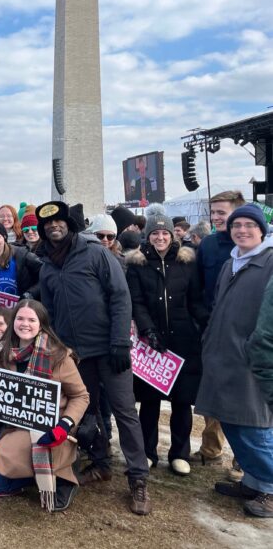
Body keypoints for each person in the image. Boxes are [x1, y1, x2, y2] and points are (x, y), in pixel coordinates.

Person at [35, 201, 151, 515]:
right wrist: (59, 348)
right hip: (75, 354)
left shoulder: (95, 253)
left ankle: (138, 478)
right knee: (87, 412)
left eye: (59, 221)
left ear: (69, 225)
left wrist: (119, 342)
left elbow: (120, 296)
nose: (54, 226)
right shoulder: (47, 267)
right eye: (48, 224)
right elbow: (50, 314)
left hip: (110, 349)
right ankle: (101, 463)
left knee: (125, 411)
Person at [0, 300, 89, 512]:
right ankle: (36, 473)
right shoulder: (4, 350)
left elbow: (81, 396)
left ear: (41, 324)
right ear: (13, 321)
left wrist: (64, 425)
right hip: (17, 423)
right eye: (20, 318)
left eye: (31, 320)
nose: (25, 324)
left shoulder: (58, 355)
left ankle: (64, 471)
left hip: (50, 426)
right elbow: (2, 389)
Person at [196, 204, 273, 517]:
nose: (242, 230)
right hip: (222, 356)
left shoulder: (269, 262)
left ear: (262, 230)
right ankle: (254, 482)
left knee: (254, 427)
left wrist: (254, 349)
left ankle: (270, 488)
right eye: (236, 225)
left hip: (251, 361)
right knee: (231, 421)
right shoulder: (232, 262)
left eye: (249, 225)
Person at [125, 211, 208, 475]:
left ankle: (179, 453)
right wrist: (147, 329)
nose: (160, 237)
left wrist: (203, 324)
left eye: (164, 233)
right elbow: (136, 301)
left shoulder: (186, 263)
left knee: (182, 401)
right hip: (152, 343)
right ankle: (148, 451)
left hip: (183, 340)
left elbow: (195, 300)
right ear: (147, 236)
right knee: (150, 401)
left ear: (172, 236)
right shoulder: (138, 265)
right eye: (155, 233)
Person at [193, 190, 245, 472]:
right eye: (213, 212)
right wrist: (204, 318)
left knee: (243, 395)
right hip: (211, 329)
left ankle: (243, 460)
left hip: (242, 332)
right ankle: (211, 449)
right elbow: (198, 286)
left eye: (221, 212)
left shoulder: (252, 245)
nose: (215, 217)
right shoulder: (208, 244)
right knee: (212, 388)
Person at [0, 222, 42, 299]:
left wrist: (29, 294)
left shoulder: (22, 255)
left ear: (4, 237)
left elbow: (45, 275)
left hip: (24, 305)